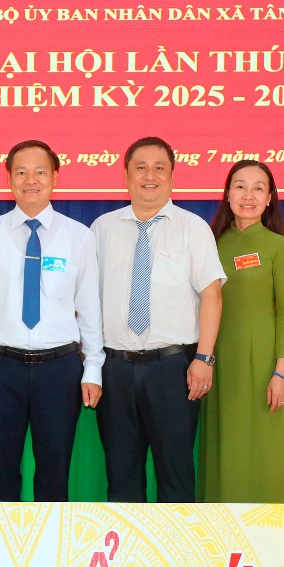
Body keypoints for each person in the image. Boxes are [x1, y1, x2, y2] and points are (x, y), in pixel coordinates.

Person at [0, 140, 102, 501]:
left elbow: (89, 308)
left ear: (55, 177)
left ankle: (50, 539)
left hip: (59, 369)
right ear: (9, 179)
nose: (31, 180)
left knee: (54, 469)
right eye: (21, 172)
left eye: (40, 172)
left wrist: (93, 369)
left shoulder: (79, 237)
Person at [93, 136, 225, 503]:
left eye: (159, 168)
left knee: (176, 476)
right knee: (121, 478)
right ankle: (126, 543)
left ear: (171, 176)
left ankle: (177, 543)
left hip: (173, 370)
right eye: (141, 168)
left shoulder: (192, 227)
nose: (149, 176)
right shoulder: (101, 229)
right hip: (114, 370)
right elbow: (85, 299)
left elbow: (212, 296)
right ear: (126, 175)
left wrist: (204, 358)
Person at [198, 160, 284, 502]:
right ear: (227, 194)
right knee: (223, 444)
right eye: (240, 187)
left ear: (269, 198)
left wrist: (281, 373)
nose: (248, 195)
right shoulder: (211, 243)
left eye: (258, 188)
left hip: (263, 364)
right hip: (217, 361)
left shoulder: (278, 246)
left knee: (261, 448)